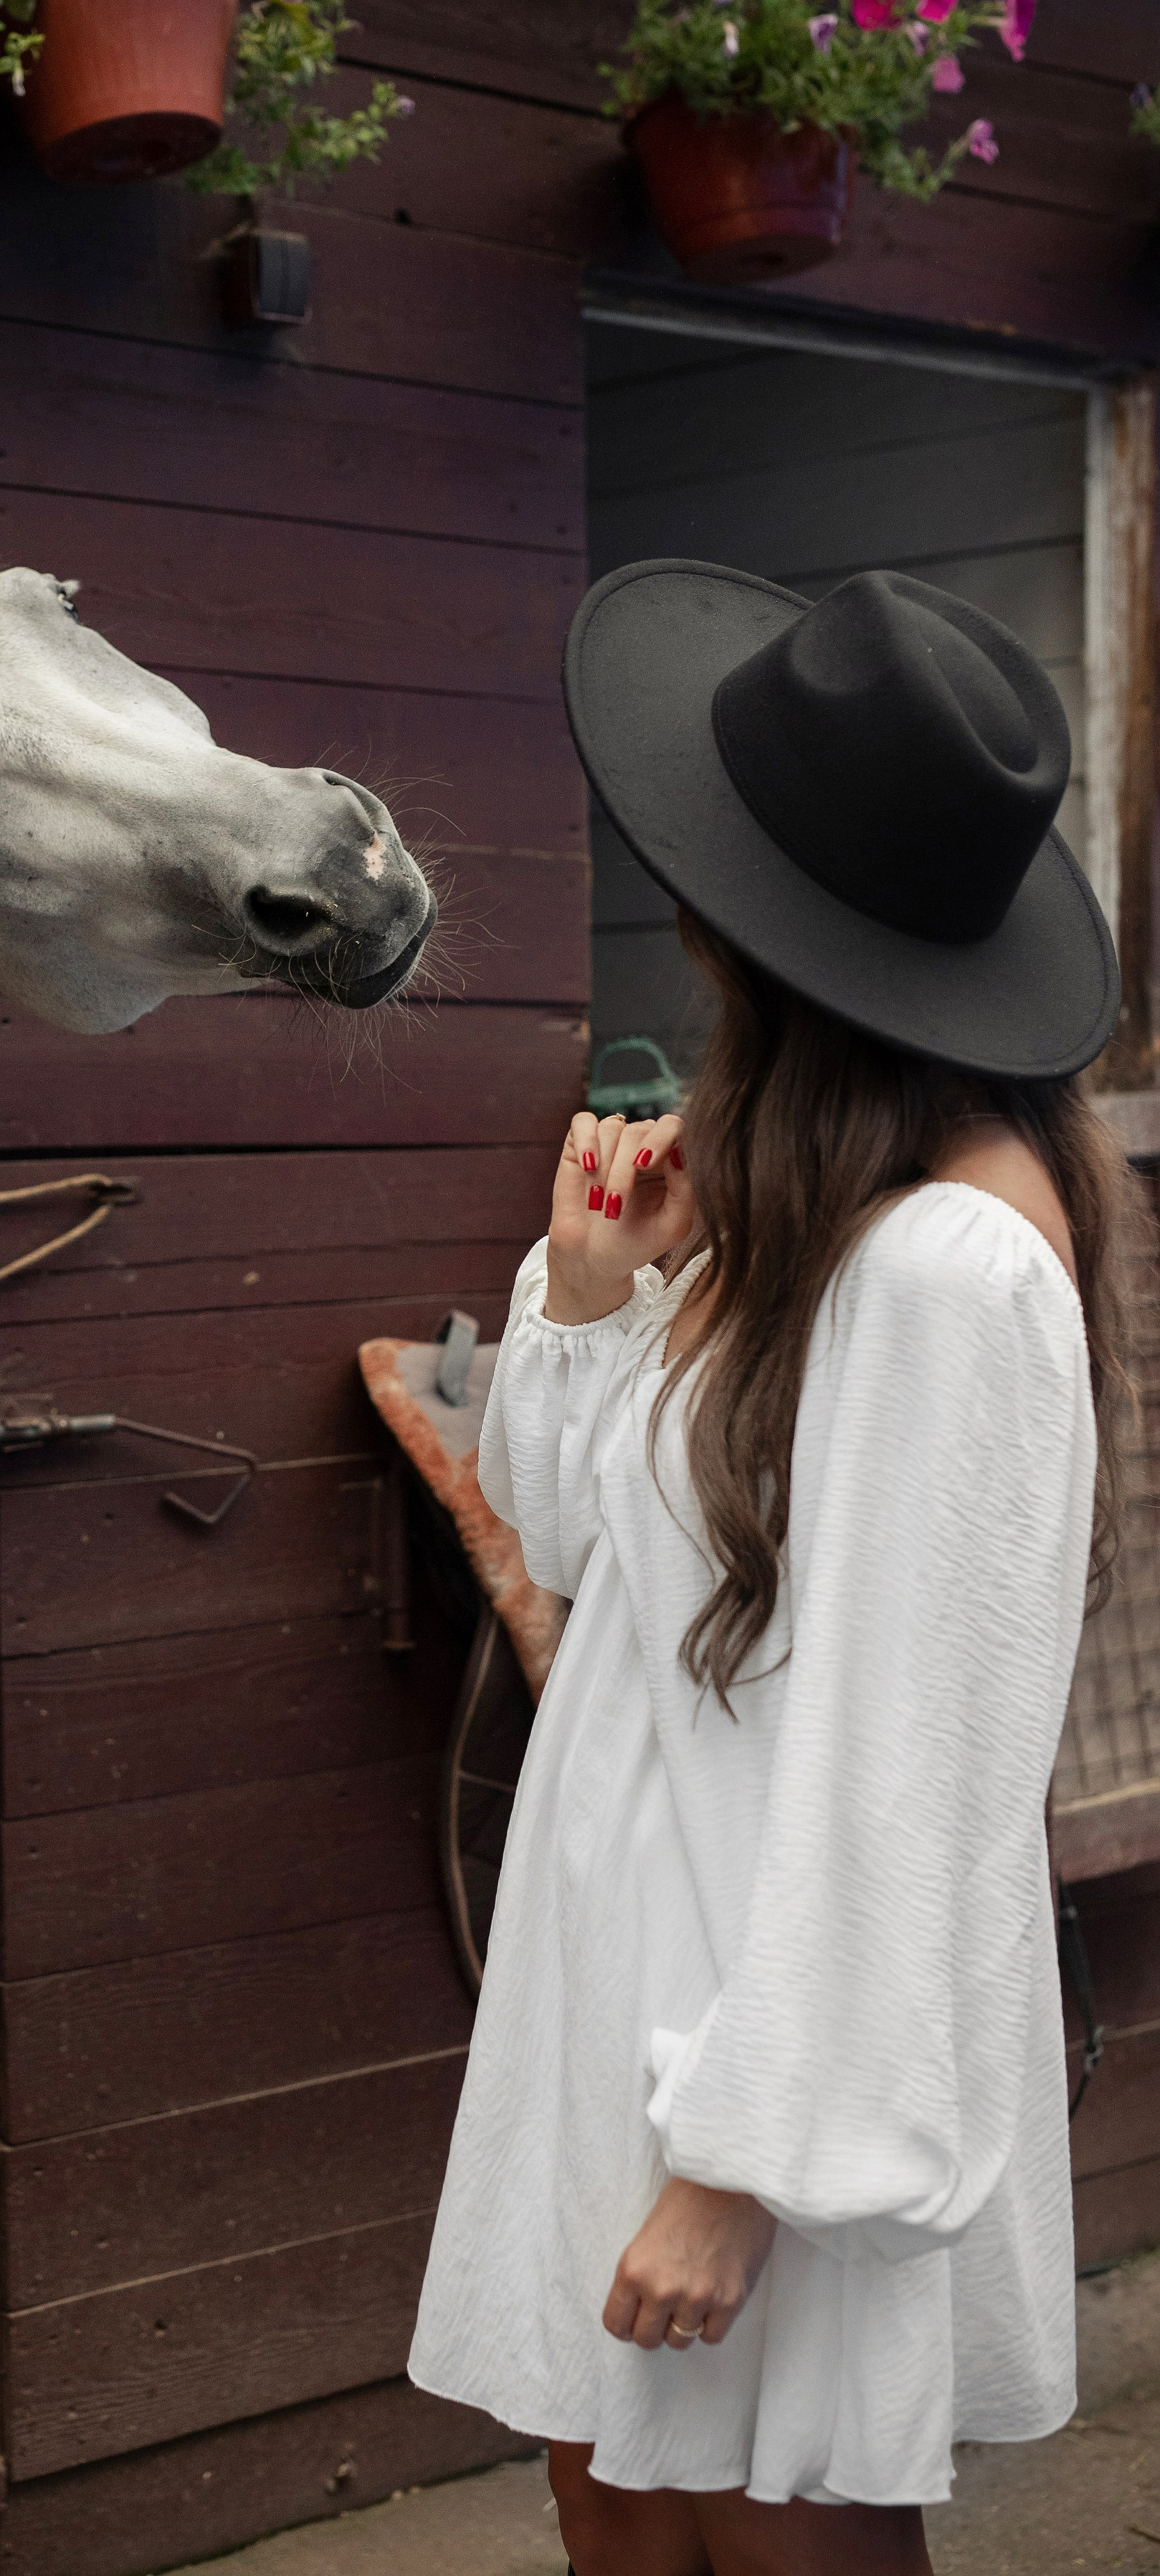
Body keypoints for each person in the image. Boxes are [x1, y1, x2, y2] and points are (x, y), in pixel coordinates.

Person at [408, 560, 1138, 2576]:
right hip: (648, 1958)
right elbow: (579, 1553)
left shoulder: (947, 1264)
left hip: (768, 2021)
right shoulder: (821, 1194)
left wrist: (745, 2167)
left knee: (782, 2535)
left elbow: (923, 1772)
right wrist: (584, 1292)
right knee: (616, 2491)